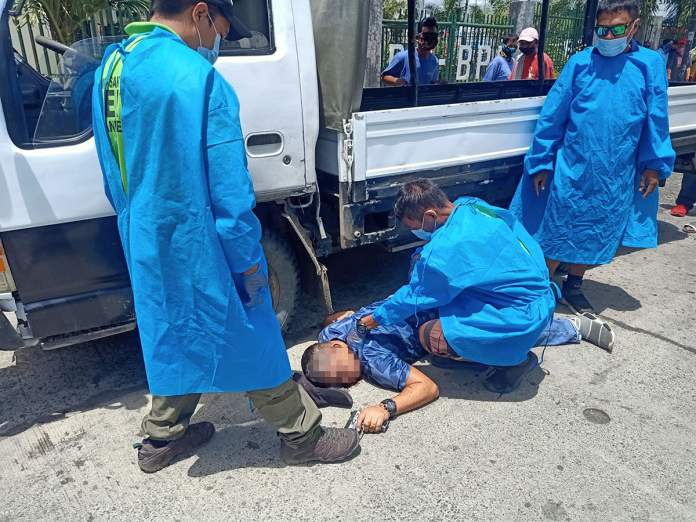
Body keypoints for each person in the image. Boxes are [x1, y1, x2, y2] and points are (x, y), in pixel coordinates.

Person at [91, 0, 359, 473]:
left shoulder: (113, 66)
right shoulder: (201, 80)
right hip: (198, 241)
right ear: (199, 13)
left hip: (145, 236)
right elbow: (231, 195)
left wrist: (137, 223)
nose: (218, 42)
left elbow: (113, 171)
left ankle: (160, 438)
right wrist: (250, 264)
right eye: (220, 28)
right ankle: (301, 436)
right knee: (252, 333)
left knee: (172, 332)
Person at [509, 0, 676, 315]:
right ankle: (540, 289)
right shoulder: (580, 63)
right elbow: (552, 115)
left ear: (634, 27)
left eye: (618, 29)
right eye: (603, 29)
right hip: (573, 165)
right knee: (558, 227)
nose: (609, 36)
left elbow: (657, 117)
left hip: (617, 169)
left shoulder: (649, 64)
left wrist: (654, 166)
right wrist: (542, 161)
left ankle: (574, 286)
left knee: (596, 228)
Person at [348, 179, 558, 397]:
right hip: (538, 295)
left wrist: (368, 322)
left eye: (414, 227)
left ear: (430, 215)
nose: (415, 232)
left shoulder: (445, 250)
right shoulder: (472, 206)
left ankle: (515, 361)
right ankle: (481, 350)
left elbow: (414, 296)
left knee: (430, 335)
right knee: (429, 275)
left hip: (520, 317)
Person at [301, 297, 611, 433]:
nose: (353, 382)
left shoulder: (374, 362)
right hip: (434, 296)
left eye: (346, 376)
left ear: (334, 347)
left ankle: (573, 328)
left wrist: (384, 408)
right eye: (345, 381)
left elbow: (427, 387)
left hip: (447, 315)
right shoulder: (331, 333)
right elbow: (341, 316)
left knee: (477, 338)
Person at [382, 17, 442, 86]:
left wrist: (438, 84)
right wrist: (396, 81)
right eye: (426, 36)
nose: (430, 39)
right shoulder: (402, 57)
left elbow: (431, 83)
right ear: (417, 38)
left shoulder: (434, 61)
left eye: (434, 36)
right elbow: (384, 77)